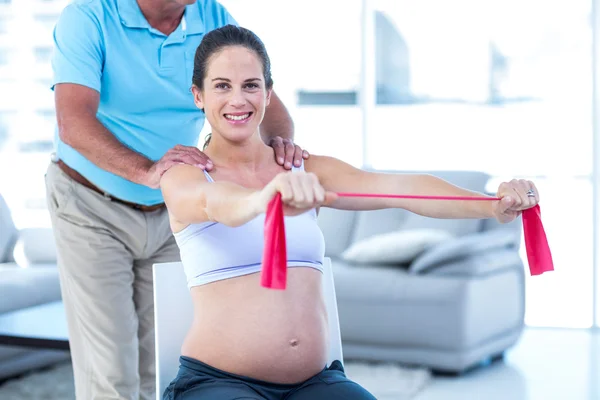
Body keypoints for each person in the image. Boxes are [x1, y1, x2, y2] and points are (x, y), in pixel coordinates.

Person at [159, 25, 540, 400]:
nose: (238, 100)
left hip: (314, 384)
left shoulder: (303, 169)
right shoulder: (186, 176)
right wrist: (265, 199)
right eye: (222, 86)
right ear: (199, 96)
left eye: (251, 85)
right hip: (217, 384)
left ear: (268, 93)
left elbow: (399, 188)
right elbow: (217, 203)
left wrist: (493, 206)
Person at [45, 1, 307, 399]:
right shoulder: (90, 16)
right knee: (111, 371)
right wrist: (147, 171)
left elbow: (268, 104)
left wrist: (279, 146)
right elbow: (73, 121)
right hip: (91, 205)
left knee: (164, 361)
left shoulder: (211, 17)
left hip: (173, 209)